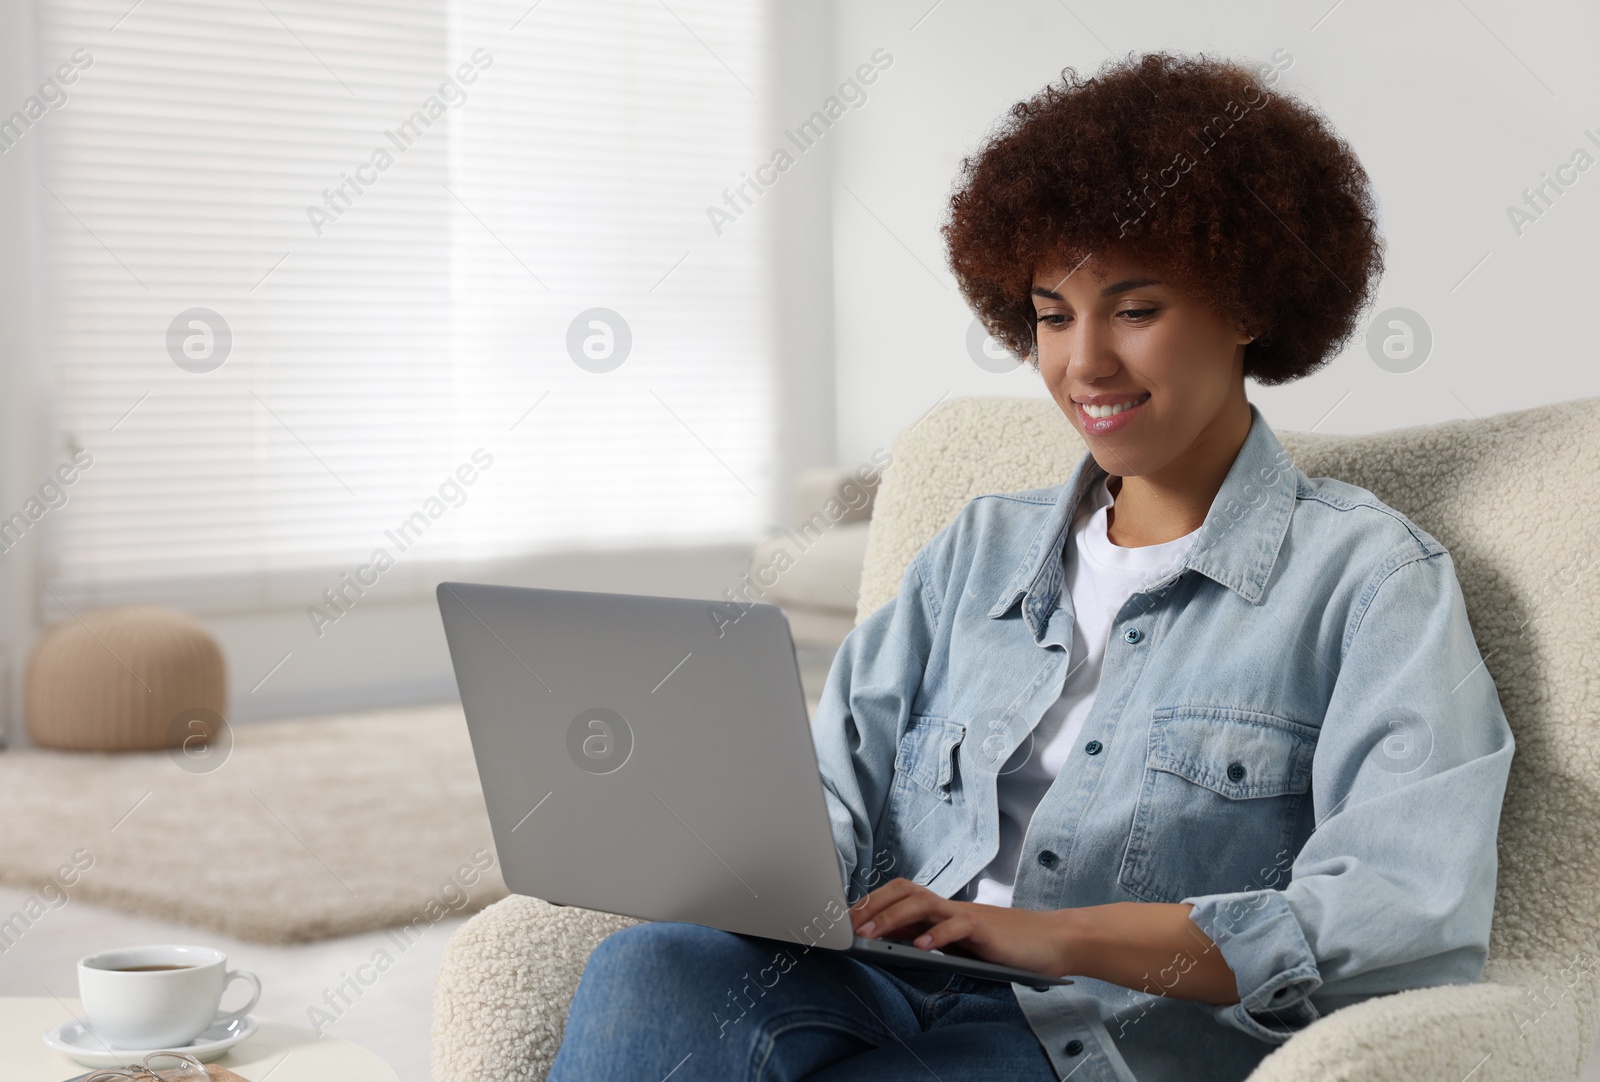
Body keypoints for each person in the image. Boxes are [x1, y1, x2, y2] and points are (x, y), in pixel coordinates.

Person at [547, 49, 1514, 1082]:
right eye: (1053, 314)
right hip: (884, 981)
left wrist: (1053, 934)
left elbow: (1402, 908)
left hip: (1100, 1037)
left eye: (1135, 311)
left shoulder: (1366, 581)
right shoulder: (979, 549)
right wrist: (752, 875)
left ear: (1245, 306)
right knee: (650, 966)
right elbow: (833, 781)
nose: (1083, 362)